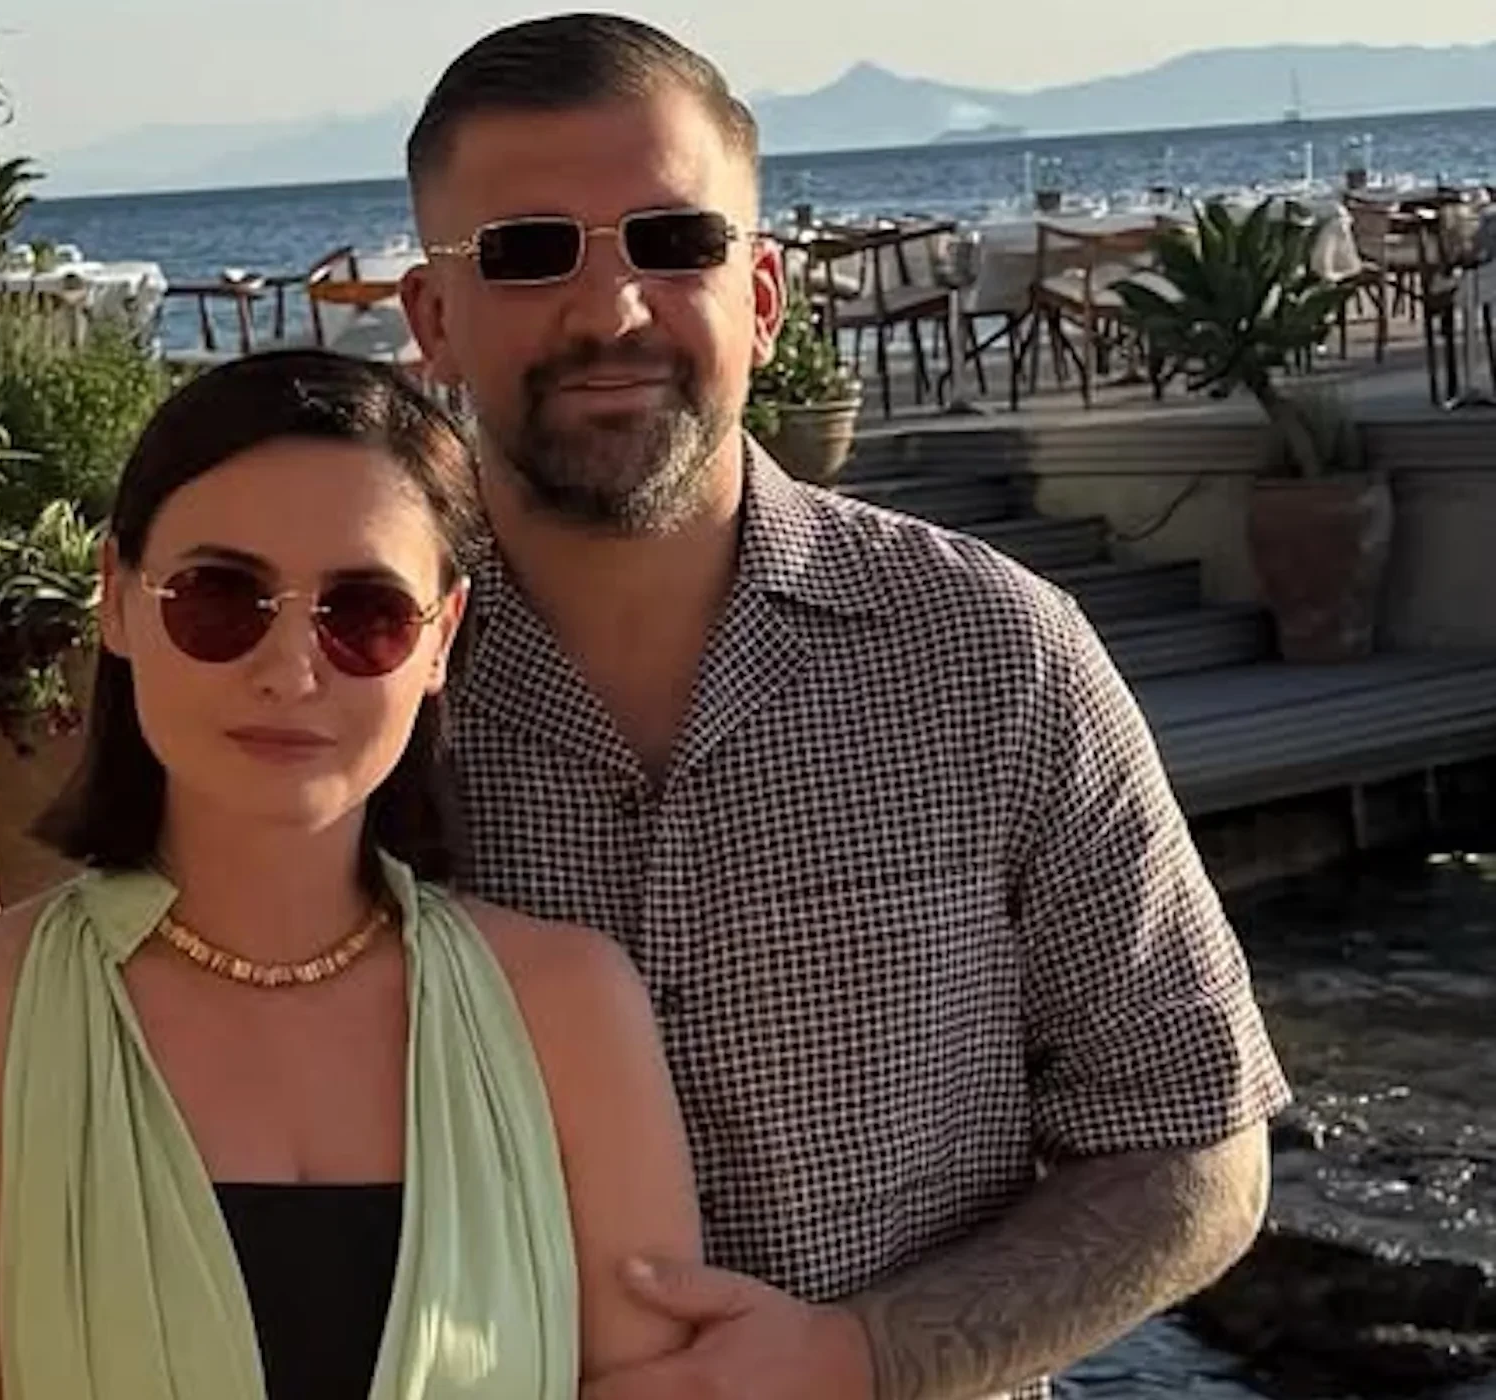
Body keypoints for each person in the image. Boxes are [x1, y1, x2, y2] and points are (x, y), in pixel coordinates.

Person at [396, 14, 1292, 1400]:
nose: (611, 310)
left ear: (761, 297)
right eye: (527, 251)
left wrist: (859, 1355)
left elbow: (1195, 1148)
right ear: (433, 321)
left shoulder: (992, 654)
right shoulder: (346, 691)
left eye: (673, 242)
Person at [0, 349, 702, 1400]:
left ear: (441, 640)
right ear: (117, 600)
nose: (290, 669)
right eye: (220, 598)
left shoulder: (570, 1014)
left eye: (365, 614)